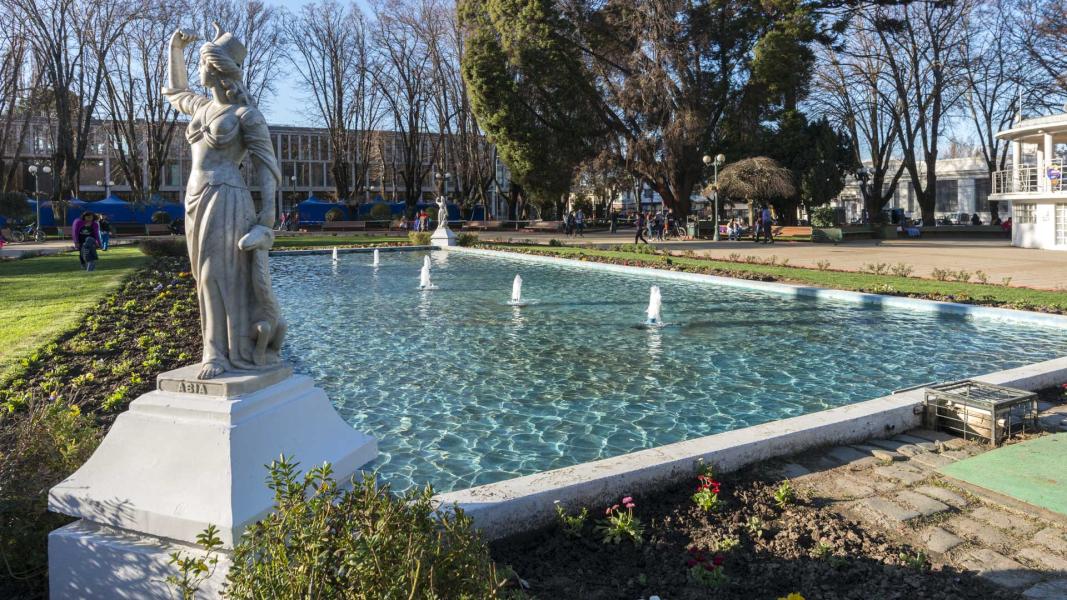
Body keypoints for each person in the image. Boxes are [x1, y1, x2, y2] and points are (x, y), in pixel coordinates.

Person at [164, 25, 286, 379]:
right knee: (202, 278)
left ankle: (217, 353)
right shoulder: (201, 108)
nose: (199, 69)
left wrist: (267, 219)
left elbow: (268, 168)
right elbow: (174, 91)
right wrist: (175, 49)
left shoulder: (247, 116)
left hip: (228, 198)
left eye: (201, 62)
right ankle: (217, 348)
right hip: (196, 198)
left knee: (216, 276)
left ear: (215, 67)